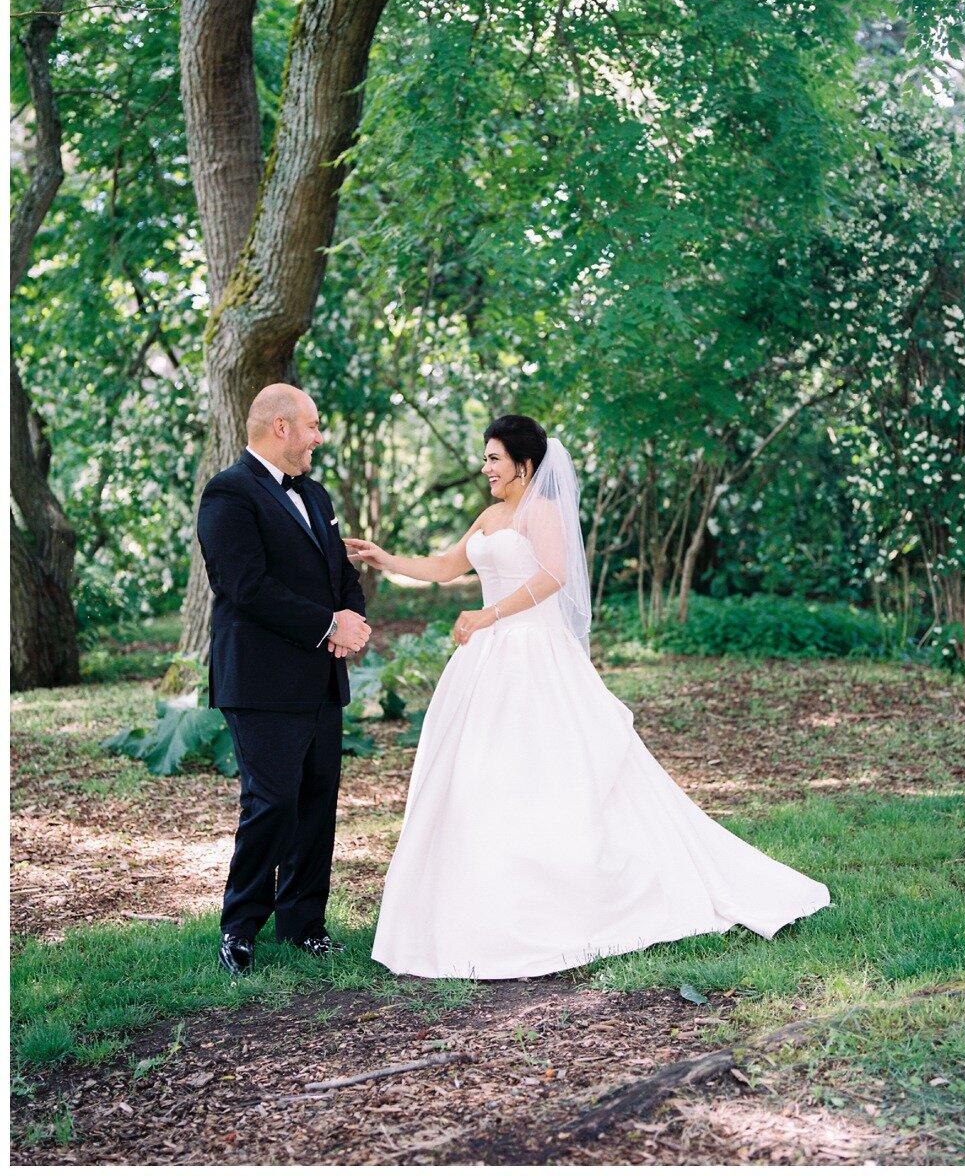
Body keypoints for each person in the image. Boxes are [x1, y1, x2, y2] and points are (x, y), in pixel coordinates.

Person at [345, 414, 830, 979]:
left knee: (550, 774)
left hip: (534, 653)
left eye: (494, 459)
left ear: (525, 465)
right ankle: (487, 901)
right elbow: (446, 567)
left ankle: (583, 891)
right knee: (481, 775)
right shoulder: (491, 515)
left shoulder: (543, 513)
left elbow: (552, 575)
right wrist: (385, 558)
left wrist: (488, 614)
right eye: (486, 458)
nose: (485, 468)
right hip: (488, 660)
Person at [197, 384, 372, 976]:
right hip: (261, 679)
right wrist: (327, 625)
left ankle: (304, 923)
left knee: (317, 801)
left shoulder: (316, 494)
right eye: (313, 426)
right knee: (271, 803)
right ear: (280, 426)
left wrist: (351, 619)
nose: (319, 437)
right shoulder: (228, 493)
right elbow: (243, 586)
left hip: (320, 678)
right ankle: (240, 928)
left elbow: (337, 570)